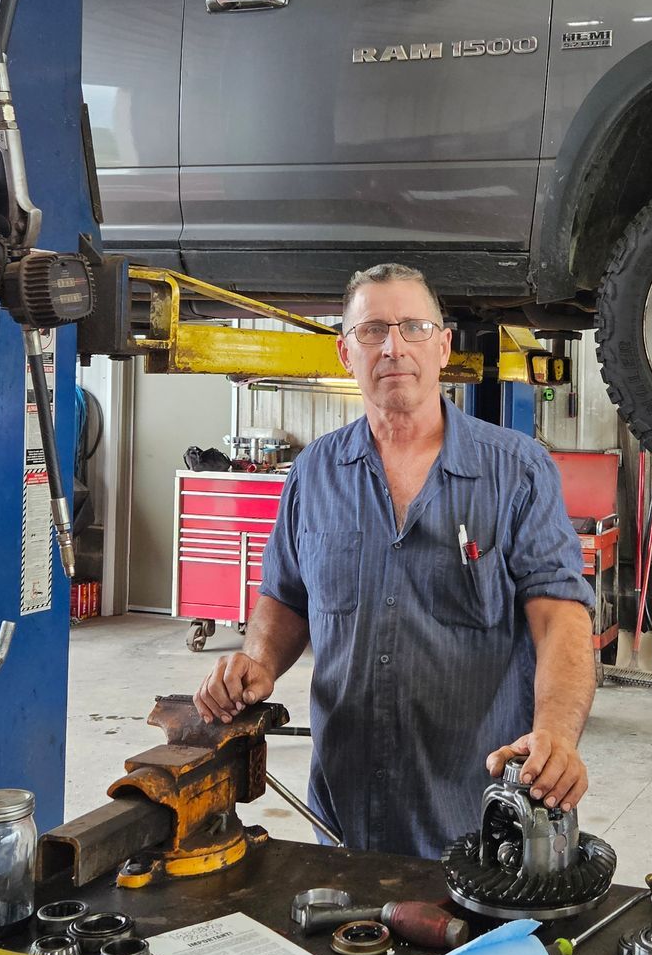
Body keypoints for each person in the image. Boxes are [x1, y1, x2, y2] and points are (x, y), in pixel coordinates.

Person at [194, 263, 596, 858]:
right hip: (344, 814)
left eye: (413, 327)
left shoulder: (517, 470)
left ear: (444, 346)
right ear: (345, 353)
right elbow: (286, 597)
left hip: (482, 815)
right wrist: (257, 662)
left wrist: (556, 734)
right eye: (372, 330)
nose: (393, 347)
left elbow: (560, 616)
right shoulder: (314, 472)